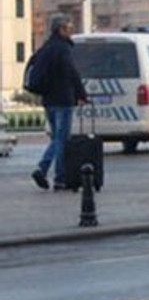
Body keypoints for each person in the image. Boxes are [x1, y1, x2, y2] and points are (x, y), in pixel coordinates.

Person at [30, 14, 90, 191]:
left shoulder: (46, 48)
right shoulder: (63, 49)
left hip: (48, 100)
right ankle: (53, 174)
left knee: (57, 138)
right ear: (60, 29)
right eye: (68, 28)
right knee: (61, 139)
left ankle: (49, 172)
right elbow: (72, 73)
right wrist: (82, 94)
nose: (71, 30)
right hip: (63, 99)